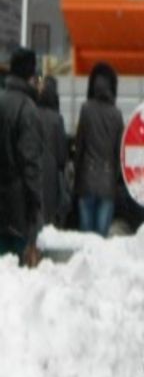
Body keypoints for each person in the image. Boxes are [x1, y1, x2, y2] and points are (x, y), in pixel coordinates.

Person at [0, 47, 44, 265]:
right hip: (17, 209)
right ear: (31, 76)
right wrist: (36, 203)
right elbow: (30, 164)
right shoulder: (28, 110)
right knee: (15, 276)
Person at [75, 62, 124, 237]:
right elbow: (119, 153)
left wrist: (77, 177)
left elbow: (79, 146)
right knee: (100, 239)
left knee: (86, 237)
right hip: (107, 181)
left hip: (86, 180)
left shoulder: (86, 109)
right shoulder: (117, 114)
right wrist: (114, 179)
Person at [38, 75, 69, 226]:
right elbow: (62, 154)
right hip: (51, 173)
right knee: (49, 216)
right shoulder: (57, 119)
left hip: (35, 168)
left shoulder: (32, 113)